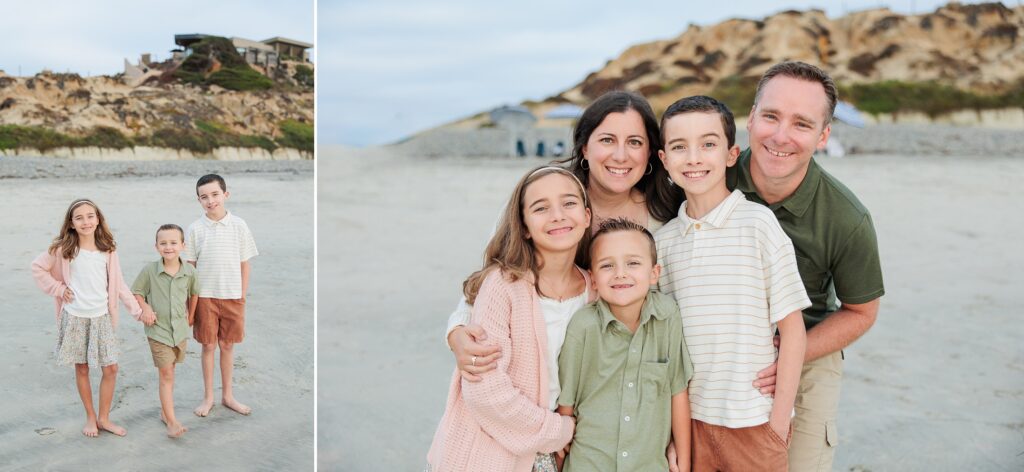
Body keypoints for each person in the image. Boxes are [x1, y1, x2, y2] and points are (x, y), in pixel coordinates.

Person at [447, 90, 682, 380]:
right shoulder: (545, 201)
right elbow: (496, 274)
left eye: (634, 142)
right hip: (539, 367)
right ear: (584, 148)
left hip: (622, 375)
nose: (621, 155)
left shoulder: (667, 213)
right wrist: (457, 330)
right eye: (607, 140)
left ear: (649, 152)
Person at [730, 61, 885, 471]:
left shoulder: (847, 218)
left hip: (809, 349)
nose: (781, 136)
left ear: (823, 136)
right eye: (771, 116)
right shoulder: (709, 178)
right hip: (716, 345)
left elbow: (862, 311)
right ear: (749, 118)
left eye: (801, 124)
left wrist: (793, 355)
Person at [656, 95, 809, 471]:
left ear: (730, 154)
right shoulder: (662, 243)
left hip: (754, 422)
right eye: (679, 147)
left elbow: (793, 332)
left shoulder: (758, 225)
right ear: (663, 160)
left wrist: (777, 422)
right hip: (690, 421)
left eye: (708, 144)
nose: (693, 158)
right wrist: (671, 433)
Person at [427, 166, 594, 472]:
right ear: (526, 226)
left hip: (557, 456)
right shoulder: (504, 286)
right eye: (541, 208)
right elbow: (486, 391)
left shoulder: (596, 290)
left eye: (568, 203)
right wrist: (559, 430)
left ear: (586, 216)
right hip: (487, 454)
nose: (557, 215)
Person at [557, 218, 693, 471]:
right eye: (607, 265)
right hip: (589, 463)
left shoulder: (667, 315)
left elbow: (678, 391)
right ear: (593, 279)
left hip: (649, 465)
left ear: (654, 274)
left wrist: (684, 464)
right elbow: (566, 405)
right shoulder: (583, 326)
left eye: (633, 263)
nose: (621, 273)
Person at [31, 198, 144, 438]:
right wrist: (59, 289)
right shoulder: (63, 250)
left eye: (90, 216)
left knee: (111, 368)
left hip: (101, 317)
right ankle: (91, 417)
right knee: (82, 368)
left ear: (98, 219)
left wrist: (136, 310)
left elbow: (118, 283)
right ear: (71, 223)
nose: (86, 221)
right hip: (74, 318)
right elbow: (37, 268)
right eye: (79, 217)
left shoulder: (108, 249)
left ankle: (104, 418)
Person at [185, 174, 259, 417]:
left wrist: (242, 296)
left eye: (215, 195)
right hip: (205, 296)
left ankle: (228, 396)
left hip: (232, 295)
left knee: (227, 345)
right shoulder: (195, 229)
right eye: (204, 197)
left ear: (225, 195)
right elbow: (190, 269)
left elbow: (244, 264)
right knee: (208, 345)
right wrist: (190, 304)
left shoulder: (239, 225)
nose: (210, 201)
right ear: (198, 200)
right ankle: (209, 397)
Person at [131, 224, 200, 438]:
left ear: (182, 246)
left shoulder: (189, 271)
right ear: (156, 246)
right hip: (158, 331)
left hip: (179, 331)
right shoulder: (149, 270)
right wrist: (145, 307)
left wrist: (191, 316)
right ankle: (171, 420)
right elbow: (137, 292)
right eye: (163, 243)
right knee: (166, 373)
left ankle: (164, 411)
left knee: (171, 371)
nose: (168, 247)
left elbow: (194, 294)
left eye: (173, 243)